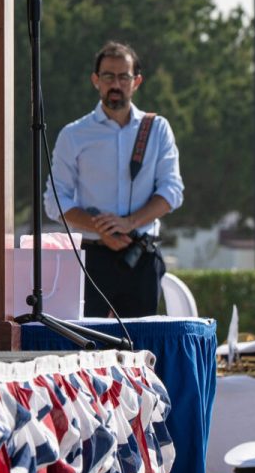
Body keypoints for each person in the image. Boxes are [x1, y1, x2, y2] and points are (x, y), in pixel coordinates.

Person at [45, 41, 185, 318]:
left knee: (141, 347)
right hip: (92, 258)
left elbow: (172, 191)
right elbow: (55, 200)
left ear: (137, 81)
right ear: (95, 80)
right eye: (108, 76)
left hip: (141, 256)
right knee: (88, 345)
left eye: (124, 76)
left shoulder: (157, 129)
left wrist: (129, 223)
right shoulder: (74, 135)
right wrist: (101, 229)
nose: (116, 84)